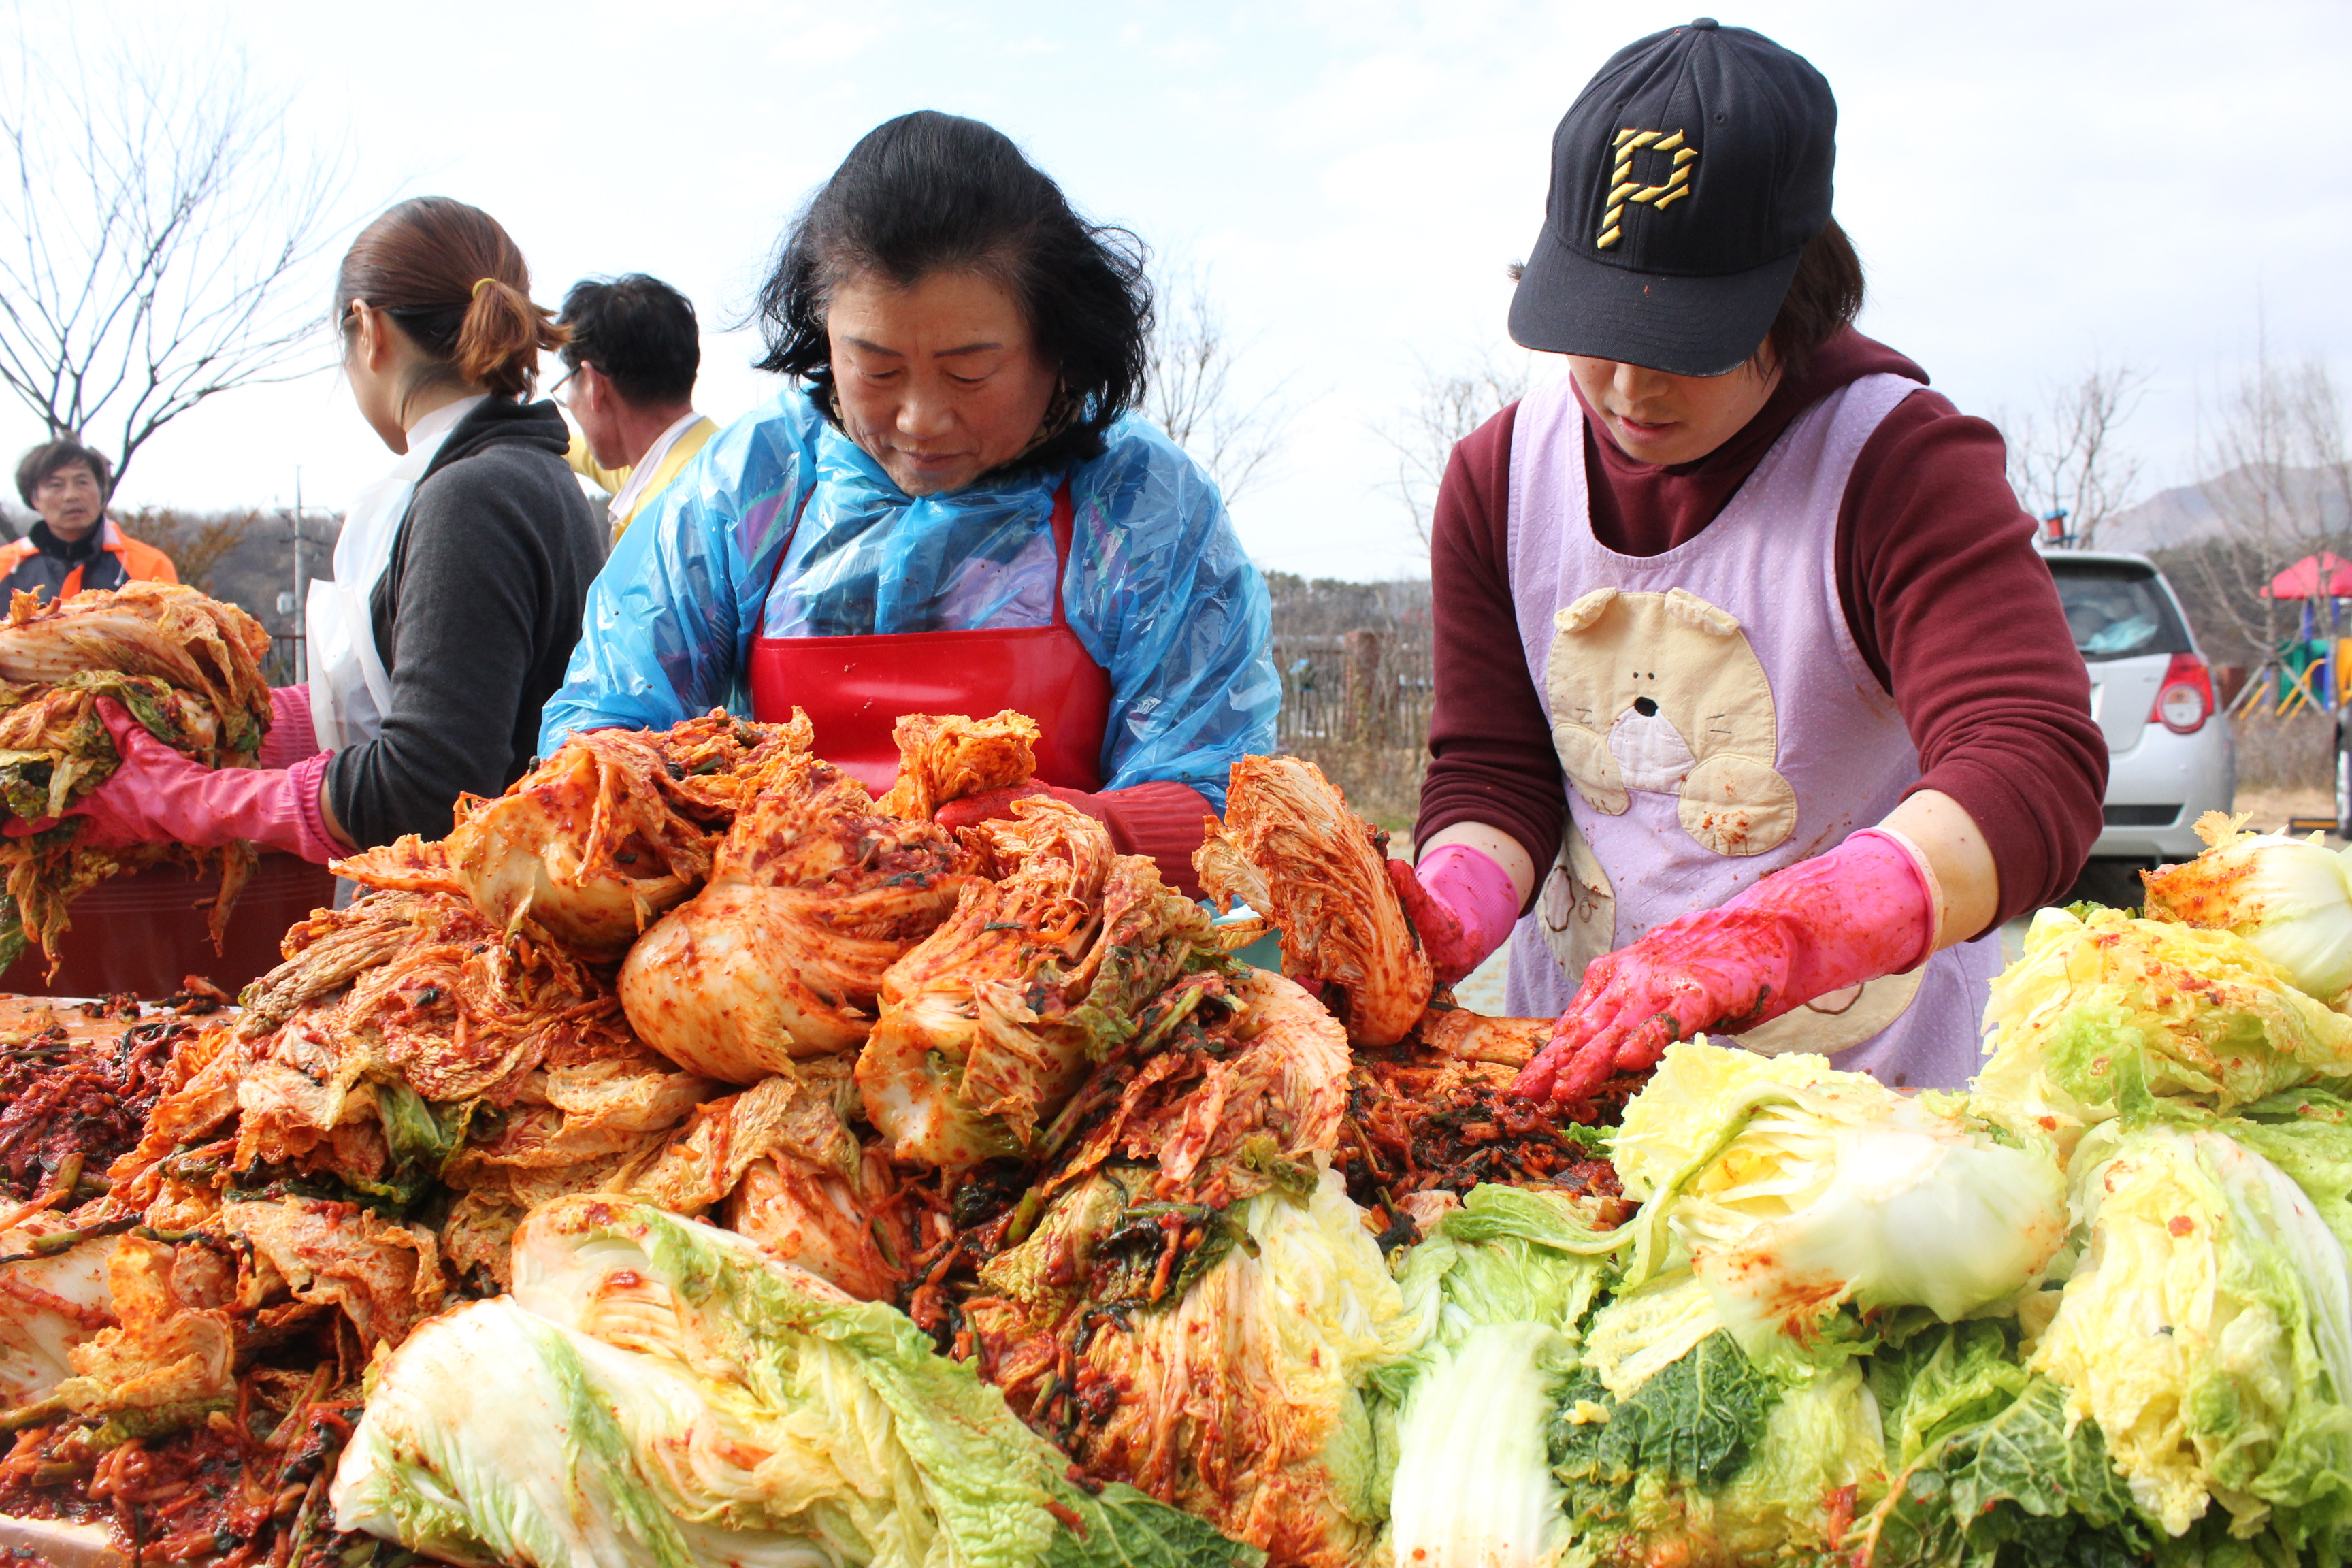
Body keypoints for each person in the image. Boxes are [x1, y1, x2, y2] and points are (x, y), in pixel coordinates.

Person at [1387, 20, 2106, 1099]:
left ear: (1793, 295)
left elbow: (2029, 756)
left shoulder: (1899, 465)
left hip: (1855, 1104)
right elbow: (1499, 765)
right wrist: (1453, 905)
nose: (1631, 391)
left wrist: (1783, 932)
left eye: (1689, 344)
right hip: (1574, 1072)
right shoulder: (1499, 478)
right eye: (1597, 332)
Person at [540, 112, 1277, 894]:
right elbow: (605, 742)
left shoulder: (1139, 505)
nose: (920, 420)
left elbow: (1222, 797)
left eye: (968, 373)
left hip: (1054, 954)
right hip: (771, 961)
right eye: (877, 369)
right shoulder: (752, 485)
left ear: (1057, 343)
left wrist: (1098, 832)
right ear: (824, 338)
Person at [38, 197, 604, 868]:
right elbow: (429, 697)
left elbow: (429, 785)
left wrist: (188, 798)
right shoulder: (517, 474)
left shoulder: (473, 496)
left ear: (368, 329)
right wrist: (212, 726)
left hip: (491, 918)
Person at [556, 274, 719, 546]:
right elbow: (593, 459)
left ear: (592, 384)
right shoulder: (716, 456)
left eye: (567, 385)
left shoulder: (661, 520)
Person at [2, 439, 177, 600]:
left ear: (102, 491)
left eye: (82, 482)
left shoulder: (149, 566)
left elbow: (176, 629)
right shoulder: (5, 565)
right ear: (34, 498)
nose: (71, 496)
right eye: (56, 485)